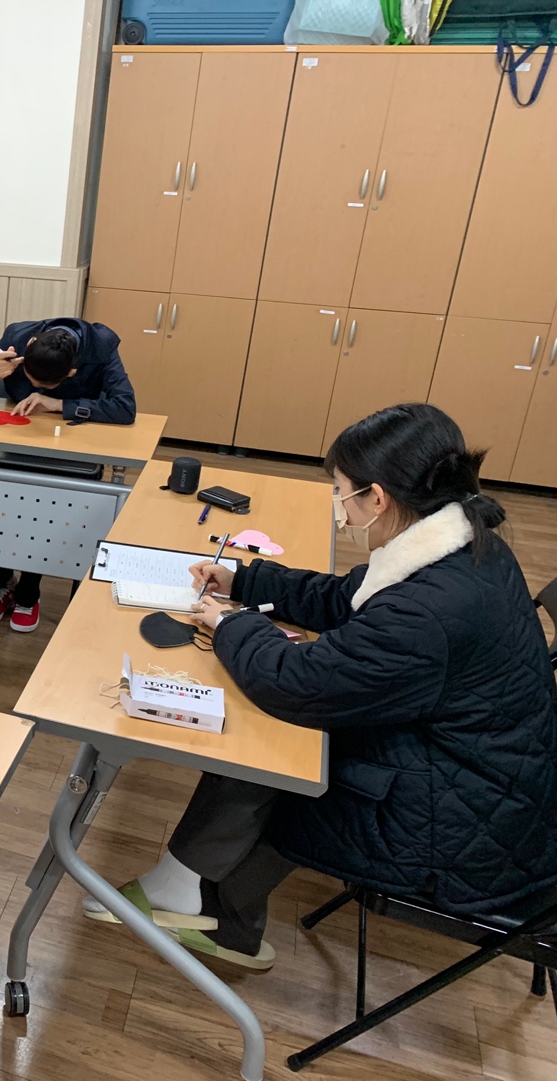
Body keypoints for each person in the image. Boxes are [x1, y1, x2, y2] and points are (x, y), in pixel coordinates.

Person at [82, 404, 557, 969]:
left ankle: (196, 898)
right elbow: (346, 598)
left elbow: (295, 683)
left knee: (274, 737)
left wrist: (231, 624)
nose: (340, 509)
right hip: (486, 780)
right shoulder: (458, 545)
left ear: (377, 498)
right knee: (279, 727)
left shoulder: (429, 608)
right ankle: (212, 902)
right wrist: (246, 579)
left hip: (458, 829)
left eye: (341, 494)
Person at [0, 315, 136, 632]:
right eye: (31, 379)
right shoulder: (18, 335)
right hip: (13, 439)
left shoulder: (101, 346)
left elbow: (125, 407)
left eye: (46, 386)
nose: (35, 388)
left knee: (46, 503)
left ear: (72, 373)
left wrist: (58, 404)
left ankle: (28, 592)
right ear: (29, 348)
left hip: (66, 449)